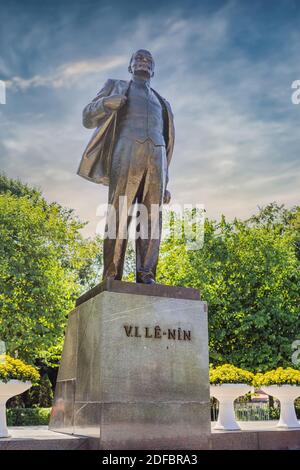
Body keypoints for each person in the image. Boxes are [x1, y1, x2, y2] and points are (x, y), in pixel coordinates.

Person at [78, 49, 175, 284]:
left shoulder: (163, 102)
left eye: (149, 60)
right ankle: (112, 273)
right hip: (126, 152)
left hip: (157, 157)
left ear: (154, 69)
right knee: (119, 213)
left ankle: (146, 274)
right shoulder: (116, 86)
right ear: (130, 67)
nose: (144, 62)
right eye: (139, 59)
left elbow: (167, 139)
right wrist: (105, 103)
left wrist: (166, 183)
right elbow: (86, 117)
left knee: (152, 218)